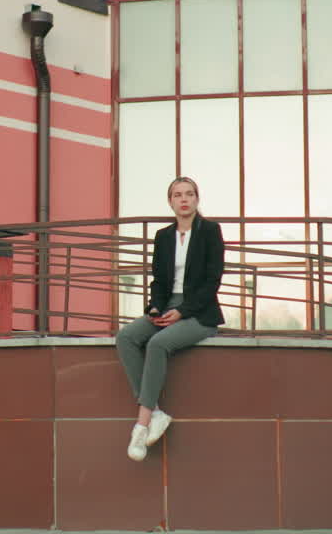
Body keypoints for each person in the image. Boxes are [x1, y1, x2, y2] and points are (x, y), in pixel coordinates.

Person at [116, 176, 225, 462]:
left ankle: (142, 422)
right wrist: (155, 308)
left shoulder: (210, 231)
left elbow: (212, 281)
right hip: (167, 308)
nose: (184, 199)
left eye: (189, 194)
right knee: (126, 337)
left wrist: (183, 311)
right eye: (178, 195)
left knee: (158, 344)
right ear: (171, 201)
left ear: (197, 199)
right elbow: (159, 281)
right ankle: (158, 413)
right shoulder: (164, 236)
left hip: (199, 313)